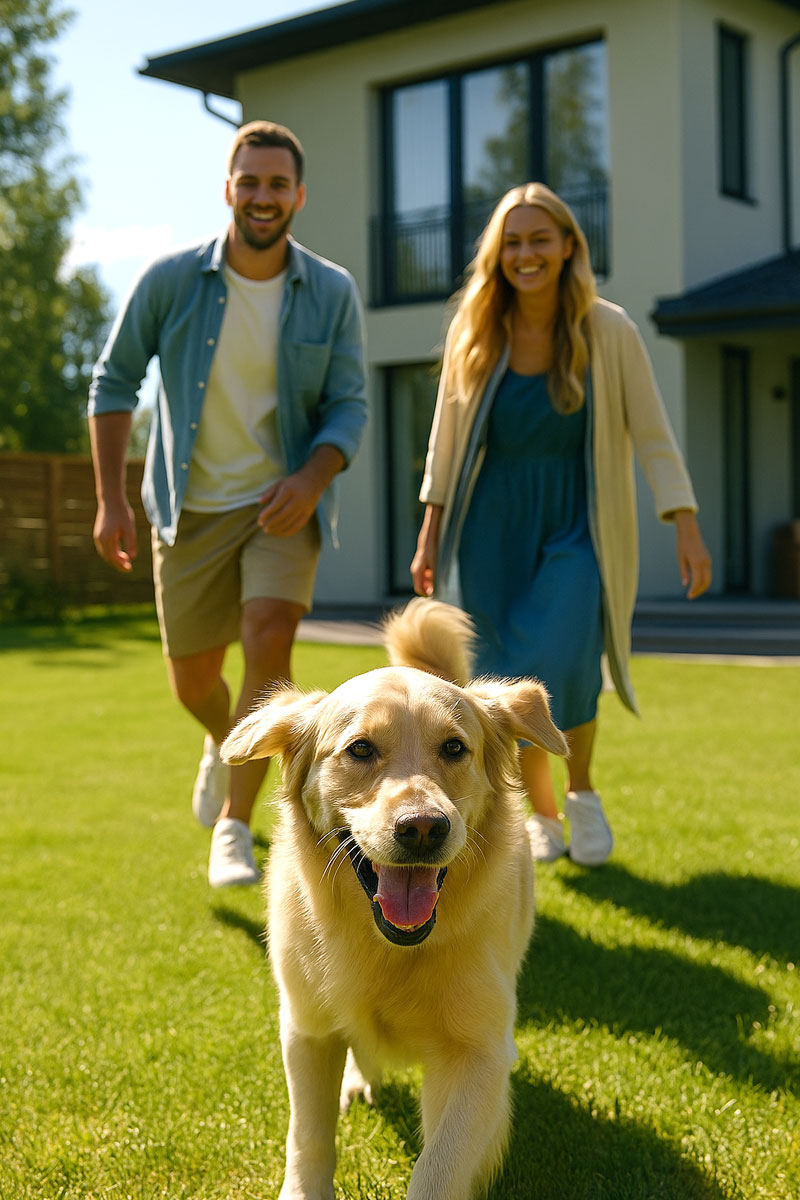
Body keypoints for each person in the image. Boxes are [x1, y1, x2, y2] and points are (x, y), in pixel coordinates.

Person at [88, 120, 368, 888]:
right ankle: (227, 742)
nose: (263, 196)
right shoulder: (171, 280)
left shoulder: (332, 291)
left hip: (282, 504)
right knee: (192, 681)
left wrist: (312, 479)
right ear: (227, 189)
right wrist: (111, 499)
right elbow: (112, 382)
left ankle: (236, 826)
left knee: (269, 633)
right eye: (250, 181)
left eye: (278, 183)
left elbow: (349, 404)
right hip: (186, 509)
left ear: (299, 195)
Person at [410, 182, 711, 867]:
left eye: (539, 239)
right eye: (512, 242)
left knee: (569, 657)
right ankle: (539, 815)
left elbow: (653, 433)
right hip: (489, 527)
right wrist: (430, 533)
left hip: (577, 522)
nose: (526, 254)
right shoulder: (475, 328)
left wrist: (684, 521)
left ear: (569, 245)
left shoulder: (609, 329)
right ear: (497, 254)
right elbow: (446, 441)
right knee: (503, 677)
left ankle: (582, 794)